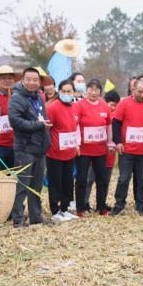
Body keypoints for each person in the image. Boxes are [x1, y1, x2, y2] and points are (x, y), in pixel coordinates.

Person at [111, 76, 143, 216]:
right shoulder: (124, 104)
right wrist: (118, 142)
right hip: (127, 150)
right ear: (133, 89)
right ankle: (119, 205)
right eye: (140, 92)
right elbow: (116, 124)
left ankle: (141, 206)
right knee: (124, 178)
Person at [8, 67, 52, 227]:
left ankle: (36, 216)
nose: (32, 82)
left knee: (37, 185)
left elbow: (43, 118)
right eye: (29, 79)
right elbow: (15, 121)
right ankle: (18, 219)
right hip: (25, 148)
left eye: (35, 80)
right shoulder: (17, 98)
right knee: (22, 185)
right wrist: (38, 125)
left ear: (39, 82)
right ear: (22, 80)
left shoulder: (39, 97)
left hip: (39, 147)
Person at [75, 79, 113, 216]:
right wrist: (76, 143)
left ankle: (101, 206)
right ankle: (80, 208)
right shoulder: (79, 105)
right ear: (87, 90)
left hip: (100, 150)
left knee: (102, 179)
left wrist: (110, 142)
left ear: (100, 92)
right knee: (82, 179)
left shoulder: (104, 106)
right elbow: (74, 125)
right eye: (91, 89)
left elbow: (108, 125)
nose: (93, 92)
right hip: (83, 150)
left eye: (96, 89)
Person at [47, 78, 81, 222]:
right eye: (64, 91)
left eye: (69, 91)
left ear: (73, 92)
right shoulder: (52, 107)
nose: (66, 94)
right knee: (55, 183)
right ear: (59, 91)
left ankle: (65, 208)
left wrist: (77, 145)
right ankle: (55, 210)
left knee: (68, 182)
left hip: (70, 152)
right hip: (54, 153)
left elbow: (75, 127)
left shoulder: (75, 107)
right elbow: (47, 129)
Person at [0, 65, 21, 170]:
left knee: (13, 175)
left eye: (10, 78)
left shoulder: (18, 97)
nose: (7, 81)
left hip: (15, 144)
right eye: (3, 78)